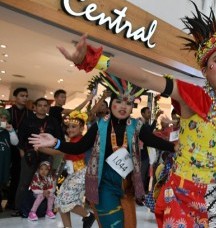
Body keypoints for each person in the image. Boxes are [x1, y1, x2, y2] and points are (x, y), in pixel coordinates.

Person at [45, 3, 216, 227]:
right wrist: (94, 60)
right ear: (206, 69)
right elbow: (147, 77)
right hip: (184, 194)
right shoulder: (195, 97)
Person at [29, 72, 176, 227]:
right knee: (112, 223)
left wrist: (174, 147)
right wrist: (56, 142)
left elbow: (154, 141)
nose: (123, 107)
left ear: (132, 107)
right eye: (118, 102)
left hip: (128, 183)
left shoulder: (137, 126)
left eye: (128, 103)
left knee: (129, 224)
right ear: (111, 103)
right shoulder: (100, 125)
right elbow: (80, 146)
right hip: (103, 181)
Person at [39, 111, 96, 228]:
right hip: (70, 174)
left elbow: (56, 152)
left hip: (80, 173)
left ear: (81, 128)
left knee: (65, 201)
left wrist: (39, 147)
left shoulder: (81, 141)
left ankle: (88, 215)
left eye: (73, 127)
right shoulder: (70, 141)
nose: (69, 129)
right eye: (68, 127)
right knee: (59, 201)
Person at [16, 97, 64, 217]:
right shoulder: (28, 120)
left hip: (47, 156)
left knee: (47, 183)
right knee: (25, 182)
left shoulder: (53, 121)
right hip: (30, 155)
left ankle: (45, 209)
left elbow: (59, 139)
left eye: (45, 105)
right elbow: (20, 137)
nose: (42, 107)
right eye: (40, 105)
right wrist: (22, 151)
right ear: (35, 107)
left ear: (48, 108)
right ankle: (19, 208)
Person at [6, 87, 32, 214]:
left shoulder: (30, 114)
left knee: (18, 176)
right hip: (7, 147)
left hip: (22, 149)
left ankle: (14, 203)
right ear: (15, 97)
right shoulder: (7, 112)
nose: (25, 98)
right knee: (4, 174)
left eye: (26, 96)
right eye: (22, 95)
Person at [0, 108, 19, 212]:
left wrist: (11, 131)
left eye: (5, 118)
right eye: (1, 118)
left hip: (4, 162)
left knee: (1, 184)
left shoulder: (8, 131)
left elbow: (15, 143)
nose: (3, 120)